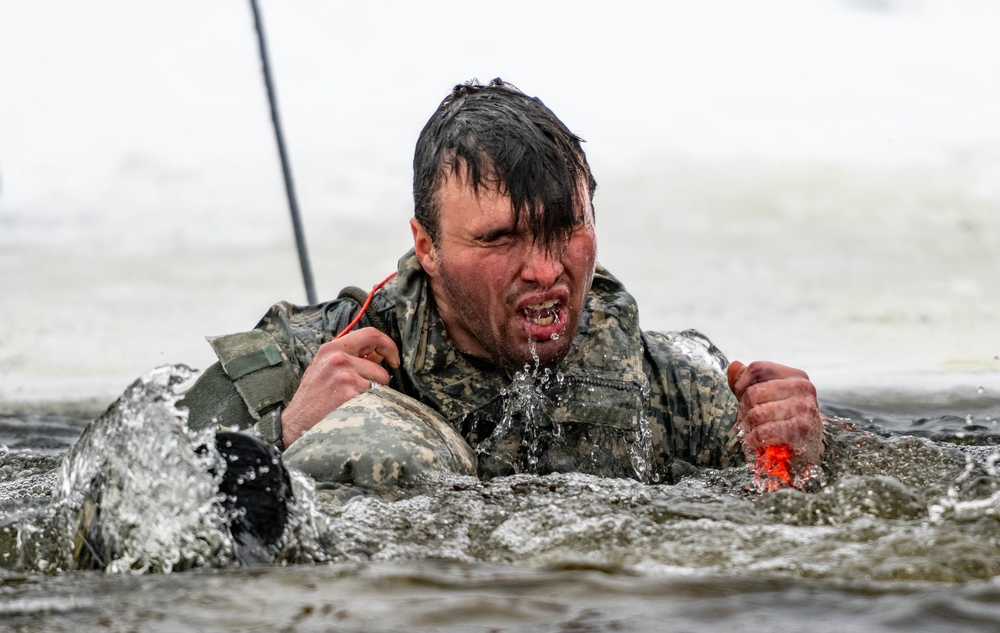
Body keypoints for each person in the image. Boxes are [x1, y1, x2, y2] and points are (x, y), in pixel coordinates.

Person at [182, 78, 824, 488]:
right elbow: (104, 506)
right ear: (426, 246)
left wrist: (797, 454)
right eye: (499, 238)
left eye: (564, 230)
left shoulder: (672, 385)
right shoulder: (308, 366)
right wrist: (282, 439)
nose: (545, 270)